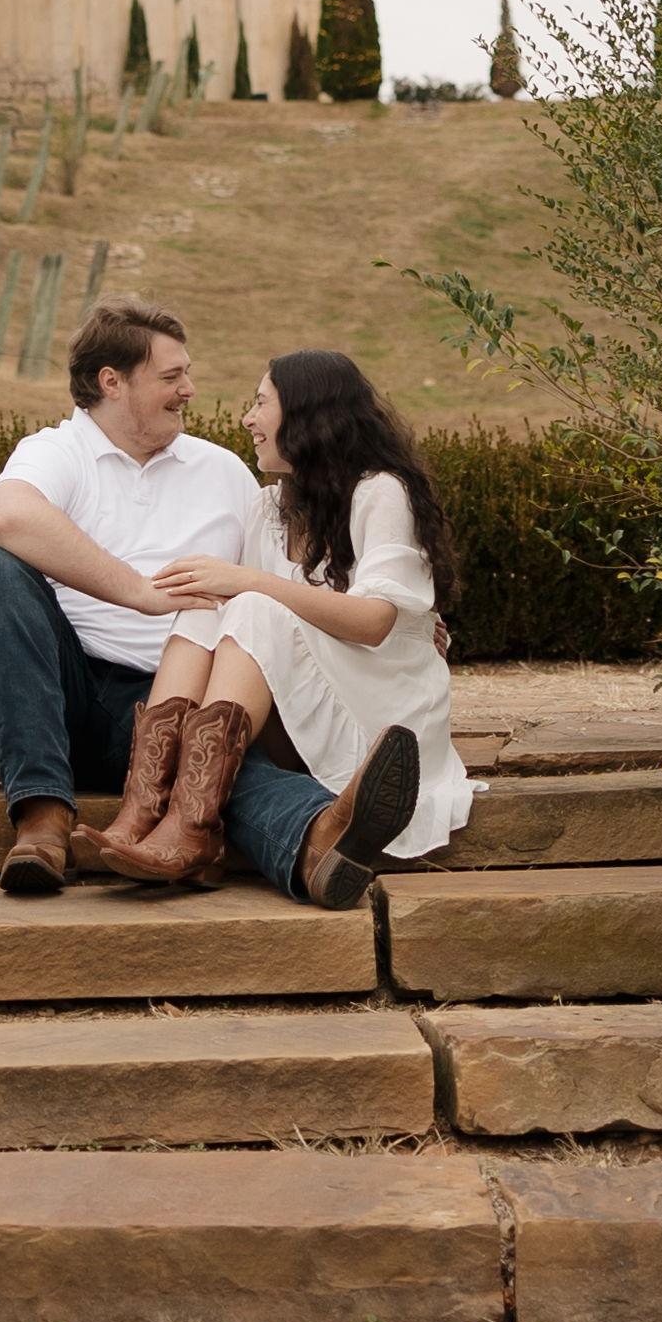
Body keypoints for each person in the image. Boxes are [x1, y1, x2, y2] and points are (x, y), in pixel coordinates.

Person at [0, 298, 334, 898]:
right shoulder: (56, 452)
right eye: (171, 376)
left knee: (209, 763)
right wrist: (139, 592)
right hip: (42, 696)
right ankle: (43, 822)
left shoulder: (222, 472)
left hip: (166, 705)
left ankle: (320, 837)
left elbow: (276, 586)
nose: (189, 390)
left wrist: (399, 621)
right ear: (112, 381)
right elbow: (9, 518)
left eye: (187, 374)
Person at [92, 347, 470, 907]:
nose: (247, 418)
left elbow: (373, 623)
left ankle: (191, 826)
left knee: (248, 600)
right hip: (293, 709)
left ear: (308, 413)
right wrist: (232, 587)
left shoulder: (380, 491)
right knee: (204, 605)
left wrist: (248, 581)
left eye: (261, 403)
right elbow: (243, 629)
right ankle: (142, 809)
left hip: (379, 707)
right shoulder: (269, 506)